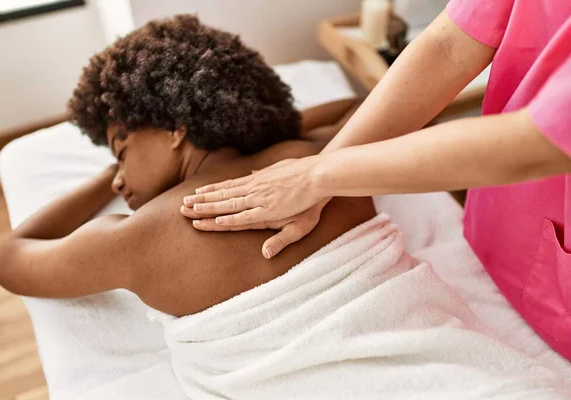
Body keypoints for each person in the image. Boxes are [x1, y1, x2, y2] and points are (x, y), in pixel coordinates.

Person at [181, 2, 571, 360]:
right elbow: (451, 43)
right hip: (506, 227)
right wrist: (320, 176)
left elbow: (536, 144)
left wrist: (318, 176)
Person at [0, 15, 371, 317]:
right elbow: (359, 106)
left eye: (120, 153)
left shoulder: (132, 239)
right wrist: (267, 132)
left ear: (174, 128)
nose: (118, 179)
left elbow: (6, 260)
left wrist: (101, 183)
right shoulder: (324, 158)